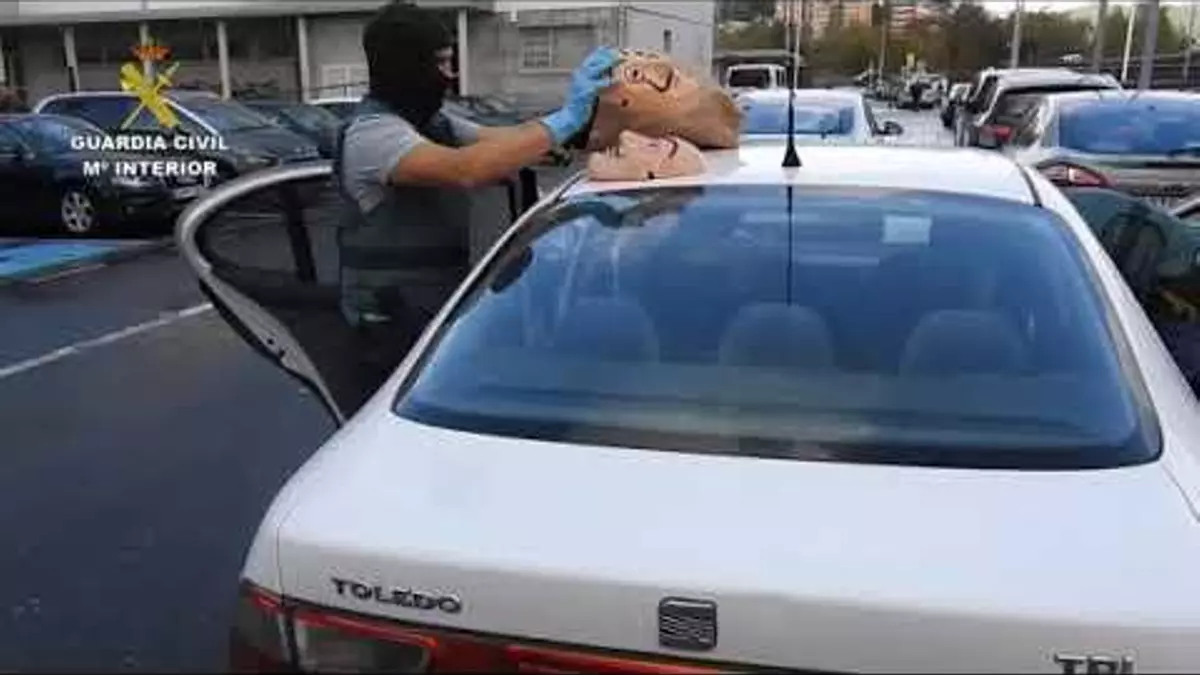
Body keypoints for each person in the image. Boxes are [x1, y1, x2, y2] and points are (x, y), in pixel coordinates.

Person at [335, 0, 619, 409]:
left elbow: (506, 141)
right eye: (441, 63)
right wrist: (567, 118)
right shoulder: (372, 135)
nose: (450, 75)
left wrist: (579, 122)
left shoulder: (437, 124)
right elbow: (467, 169)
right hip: (387, 335)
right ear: (406, 66)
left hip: (436, 320)